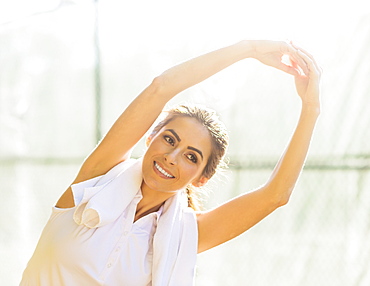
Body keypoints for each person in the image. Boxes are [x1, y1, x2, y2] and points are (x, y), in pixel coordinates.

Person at [20, 39, 321, 285]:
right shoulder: (94, 183)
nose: (171, 157)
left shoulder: (187, 235)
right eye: (170, 139)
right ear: (150, 138)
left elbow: (275, 196)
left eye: (192, 156)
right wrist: (249, 50)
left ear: (202, 177)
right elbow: (160, 87)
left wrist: (311, 108)